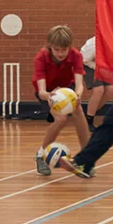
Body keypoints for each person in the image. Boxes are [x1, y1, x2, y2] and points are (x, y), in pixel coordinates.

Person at [31, 25, 90, 176]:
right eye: (57, 50)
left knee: (79, 111)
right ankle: (40, 155)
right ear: (50, 47)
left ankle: (87, 158)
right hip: (49, 92)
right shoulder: (41, 58)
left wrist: (77, 95)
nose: (61, 53)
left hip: (67, 89)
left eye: (64, 50)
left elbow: (79, 84)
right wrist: (50, 95)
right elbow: (42, 90)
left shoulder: (76, 55)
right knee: (61, 119)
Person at [80, 35, 113, 130]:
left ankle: (88, 114)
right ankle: (89, 120)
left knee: (111, 90)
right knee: (99, 90)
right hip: (88, 64)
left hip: (101, 65)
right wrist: (99, 68)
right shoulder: (95, 44)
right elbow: (85, 60)